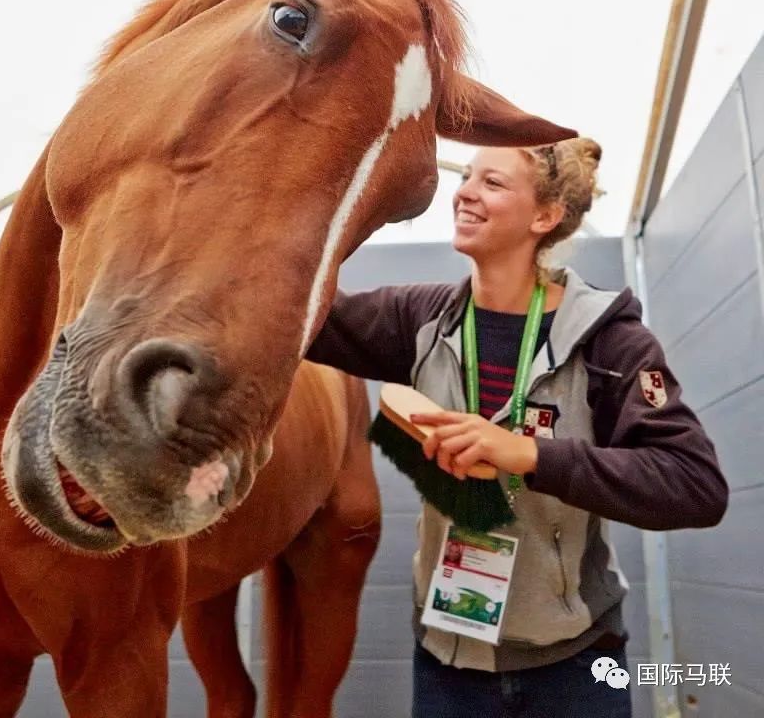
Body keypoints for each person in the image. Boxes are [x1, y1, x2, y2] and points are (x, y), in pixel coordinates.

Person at [306, 138, 728, 718]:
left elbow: (695, 486)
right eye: (467, 178)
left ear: (545, 217)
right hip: (448, 662)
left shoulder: (610, 343)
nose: (465, 194)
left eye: (493, 183)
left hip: (578, 665)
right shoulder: (421, 321)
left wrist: (530, 455)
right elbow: (302, 318)